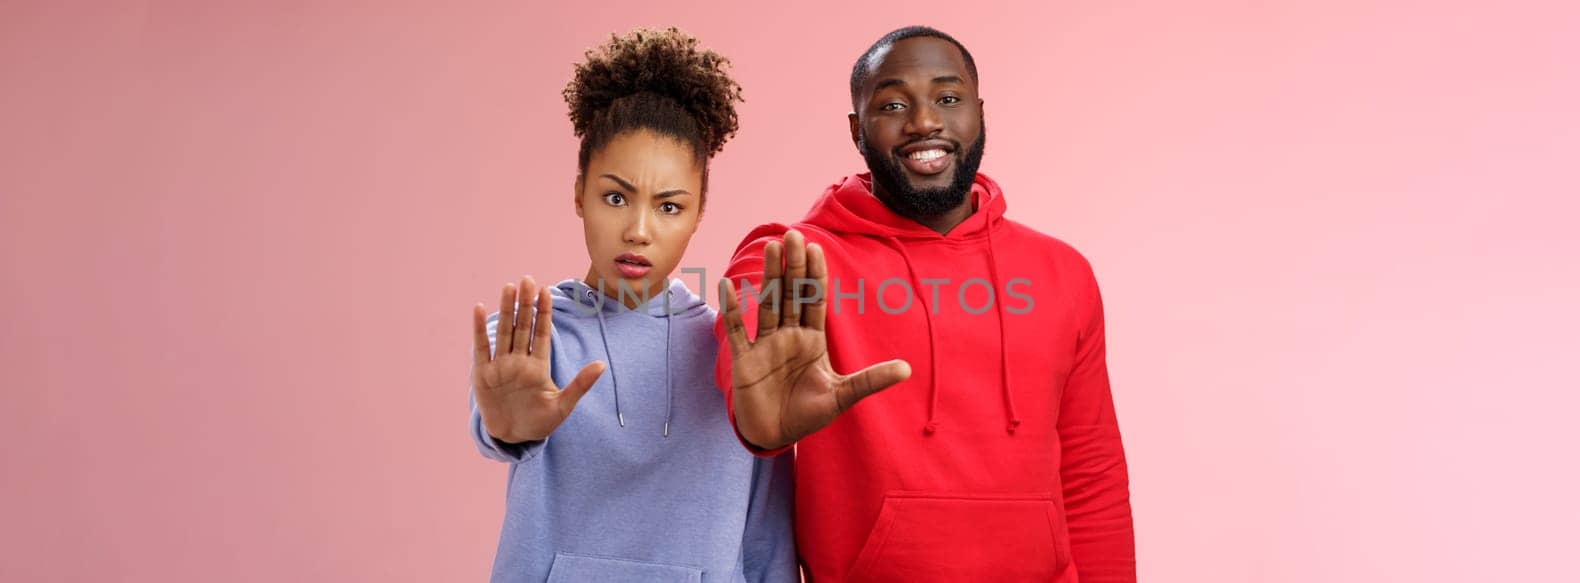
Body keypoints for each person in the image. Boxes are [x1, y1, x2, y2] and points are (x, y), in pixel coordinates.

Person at [714, 26, 1135, 582]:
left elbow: (1091, 475)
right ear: (855, 130)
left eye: (948, 98)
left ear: (979, 112)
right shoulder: (795, 260)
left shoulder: (1062, 273)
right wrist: (759, 423)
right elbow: (745, 345)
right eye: (892, 104)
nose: (924, 122)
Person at [467, 28, 795, 582]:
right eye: (615, 198)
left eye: (669, 207)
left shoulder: (737, 352)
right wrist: (507, 429)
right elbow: (495, 421)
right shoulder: (533, 334)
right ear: (579, 194)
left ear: (699, 212)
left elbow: (766, 540)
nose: (639, 230)